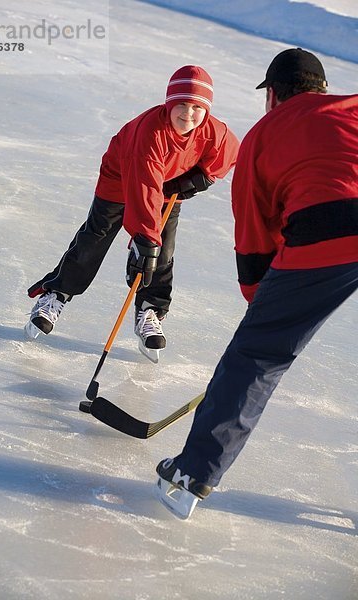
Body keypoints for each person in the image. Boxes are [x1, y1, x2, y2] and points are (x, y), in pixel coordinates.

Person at [156, 48, 358, 519]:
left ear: (271, 94)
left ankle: (191, 475)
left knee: (257, 356)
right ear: (323, 90)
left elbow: (253, 240)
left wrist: (260, 305)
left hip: (324, 232)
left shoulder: (262, 136)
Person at [25, 65, 239, 360]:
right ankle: (56, 294)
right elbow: (143, 187)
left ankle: (151, 311)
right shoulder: (151, 132)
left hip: (165, 187)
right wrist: (144, 239)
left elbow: (230, 153)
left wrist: (197, 179)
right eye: (181, 105)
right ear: (169, 103)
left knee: (163, 253)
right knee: (96, 238)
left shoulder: (214, 131)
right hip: (121, 179)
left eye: (196, 107)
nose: (188, 114)